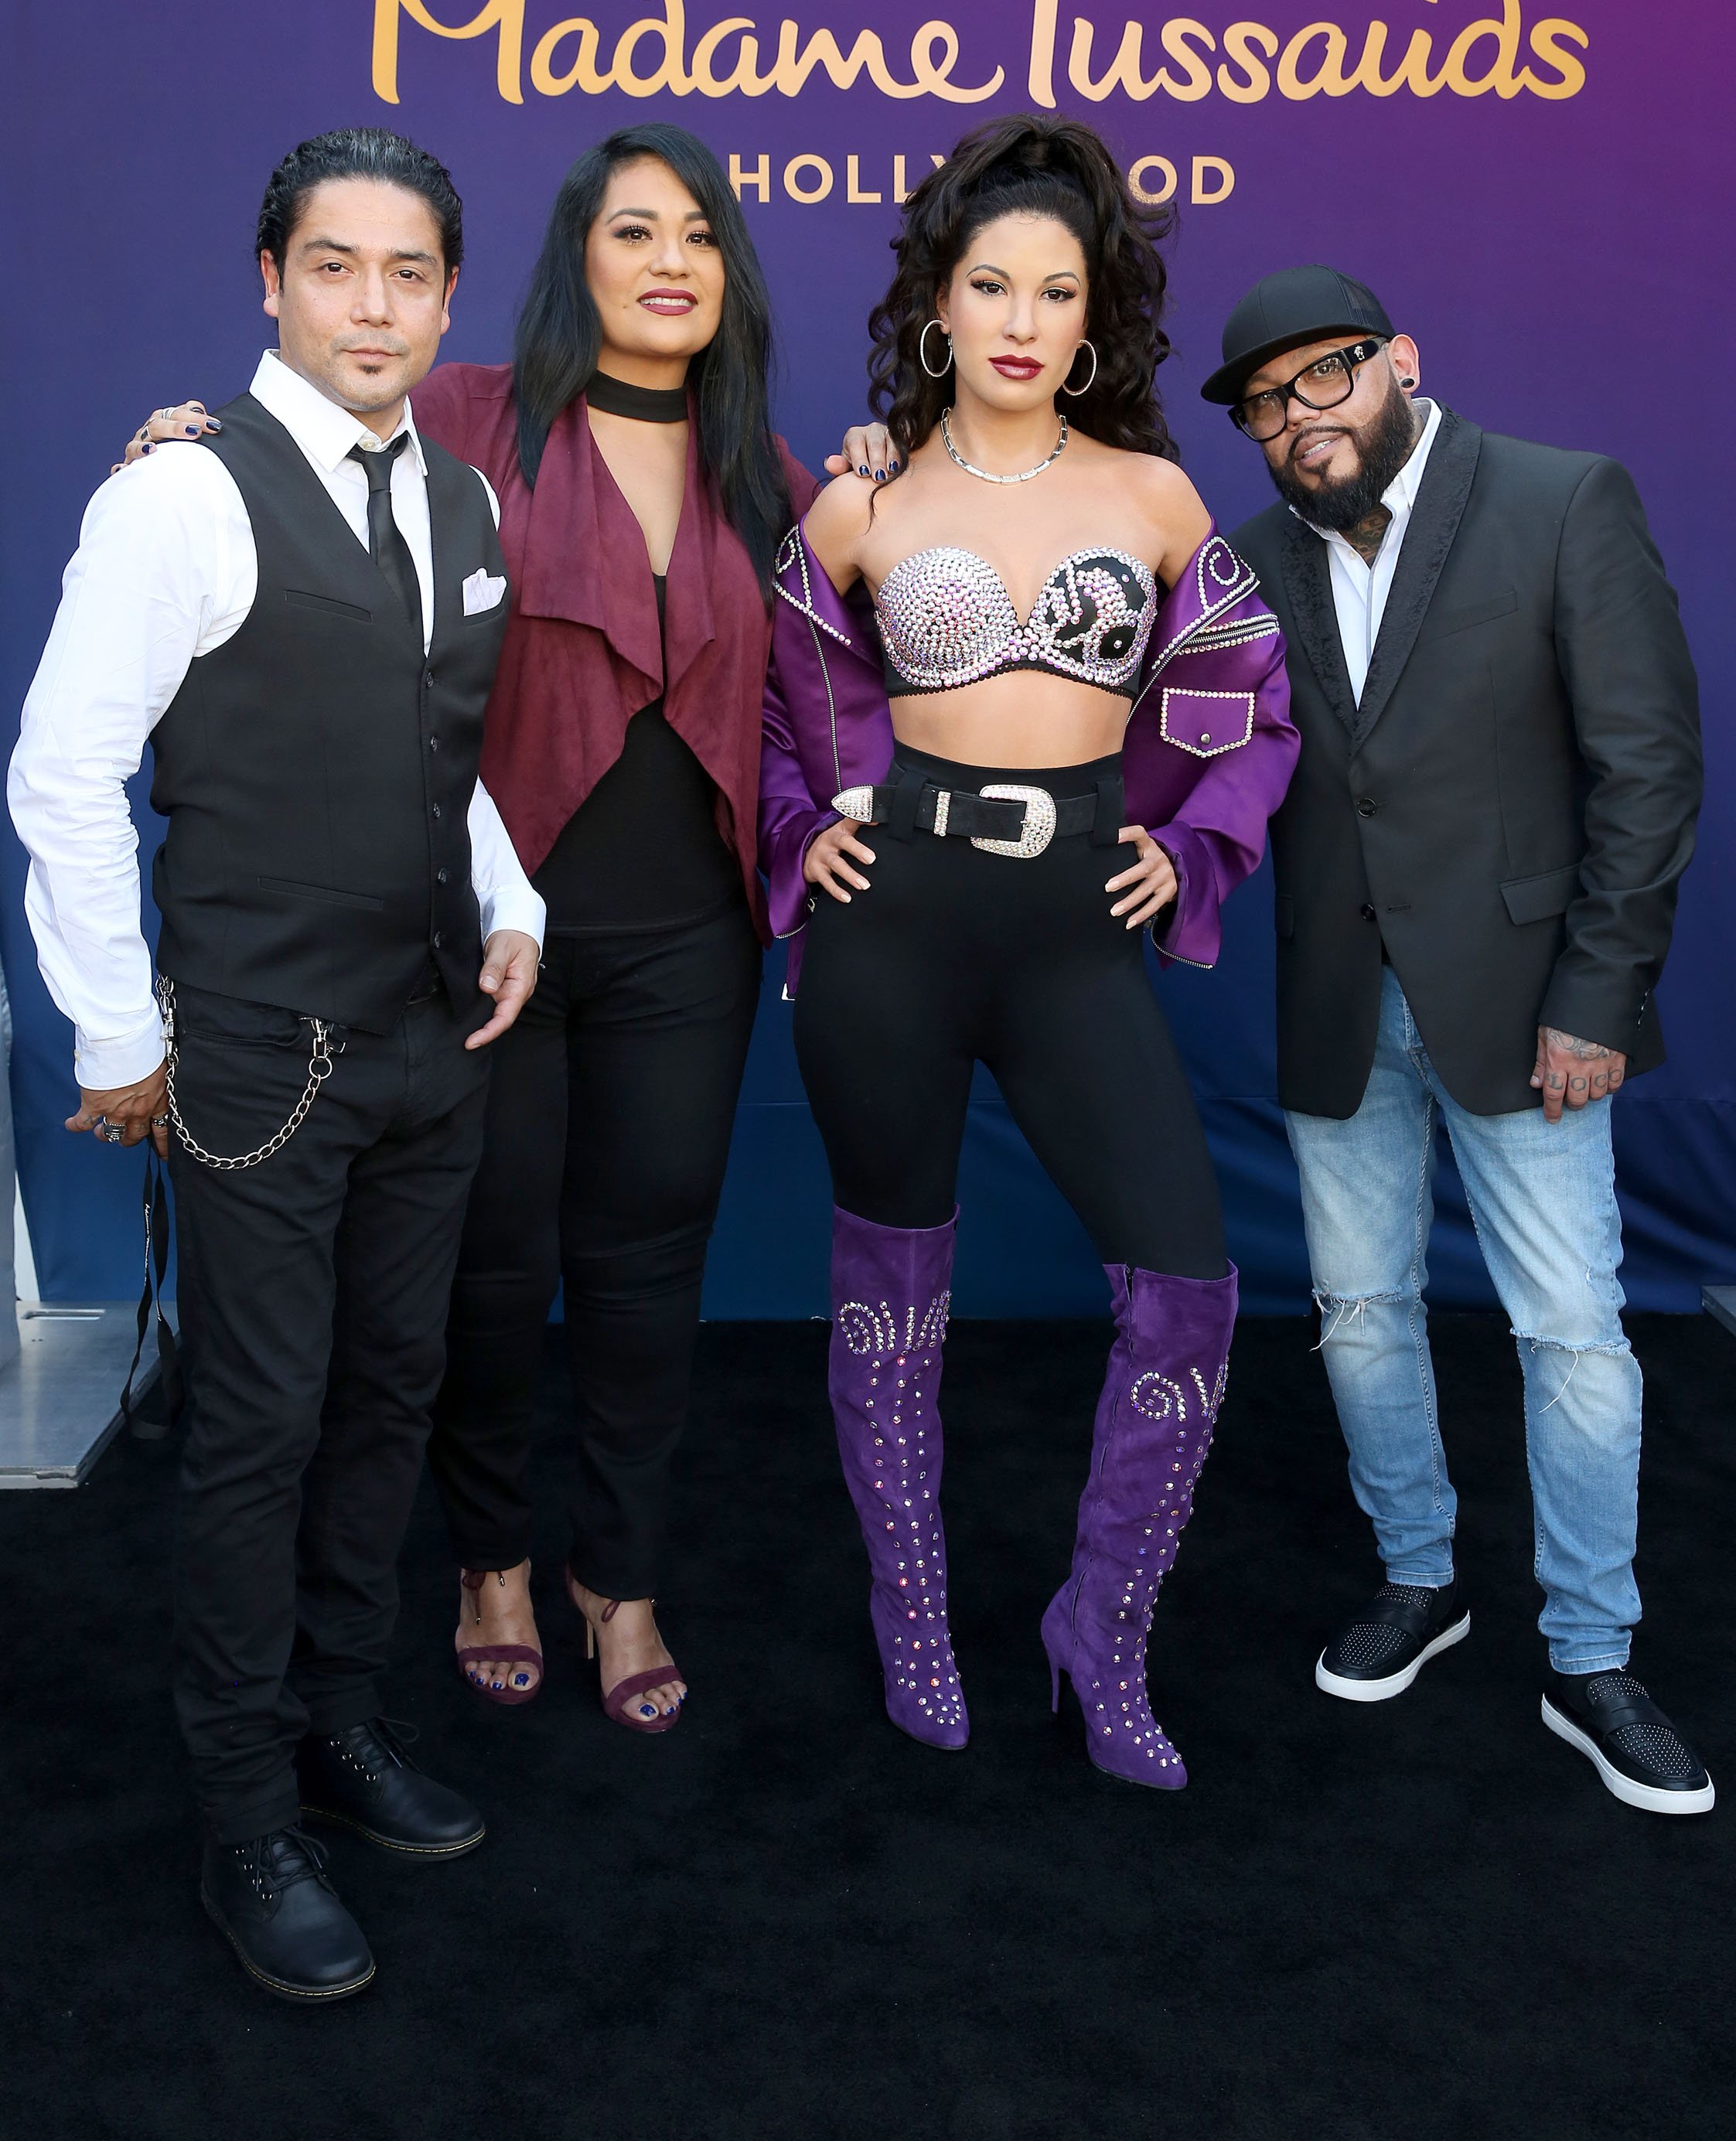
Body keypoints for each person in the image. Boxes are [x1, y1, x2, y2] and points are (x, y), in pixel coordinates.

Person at [122, 124, 890, 1728]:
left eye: (697, 234)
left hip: (691, 946)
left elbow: (850, 660)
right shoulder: (464, 414)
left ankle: (622, 1579)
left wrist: (891, 480)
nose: (669, 260)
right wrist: (178, 442)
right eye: (632, 231)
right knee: (488, 1266)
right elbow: (294, 467)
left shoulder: (773, 471)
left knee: (644, 1263)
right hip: (491, 935)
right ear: (574, 260)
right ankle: (489, 1558)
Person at [9, 127, 546, 2003]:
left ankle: (337, 1719)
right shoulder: (178, 496)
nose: (374, 306)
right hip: (251, 1055)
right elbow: (62, 770)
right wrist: (118, 1032)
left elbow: (442, 756)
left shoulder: (467, 505)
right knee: (258, 1428)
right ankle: (243, 1808)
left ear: (448, 298)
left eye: (409, 274)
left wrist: (518, 904)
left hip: (426, 1047)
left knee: (389, 1399)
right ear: (270, 279)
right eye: (336, 267)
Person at [759, 114, 1298, 1787]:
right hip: (890, 931)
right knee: (892, 1291)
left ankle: (1100, 1634)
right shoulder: (858, 502)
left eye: (1054, 290)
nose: (1018, 316)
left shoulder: (1149, 490)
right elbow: (777, 717)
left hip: (1073, 928)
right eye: (988, 281)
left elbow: (1244, 692)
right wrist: (803, 830)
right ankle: (912, 1616)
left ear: (1091, 317)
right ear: (938, 300)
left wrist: (1187, 838)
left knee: (1189, 1288)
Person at [1200, 264, 1711, 1815]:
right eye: (1266, 402)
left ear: (1400, 360)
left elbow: (1648, 770)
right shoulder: (1241, 561)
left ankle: (1590, 1653)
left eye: (1330, 376)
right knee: (1357, 1317)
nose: (1303, 417)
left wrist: (1595, 998)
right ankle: (1419, 1579)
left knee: (1571, 1334)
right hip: (1338, 1007)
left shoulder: (1561, 501)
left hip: (1527, 1008)